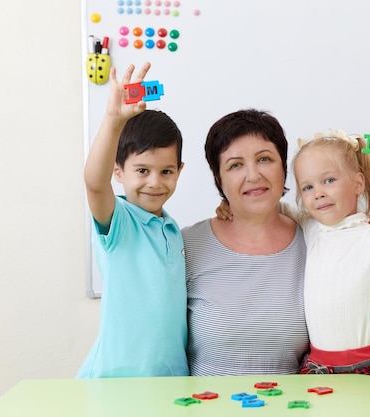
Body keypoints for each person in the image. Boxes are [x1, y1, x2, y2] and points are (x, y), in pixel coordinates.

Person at [77, 62, 189, 377]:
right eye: (142, 170)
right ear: (118, 171)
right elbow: (94, 183)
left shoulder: (173, 229)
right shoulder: (119, 221)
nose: (155, 182)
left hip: (169, 380)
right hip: (117, 380)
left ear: (179, 171)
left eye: (166, 171)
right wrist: (113, 121)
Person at [183, 109, 310, 376]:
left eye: (264, 159)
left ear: (284, 168)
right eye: (235, 165)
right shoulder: (187, 245)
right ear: (219, 179)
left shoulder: (314, 243)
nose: (253, 176)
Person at [289, 130, 370, 374]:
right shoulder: (310, 228)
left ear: (358, 183)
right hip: (319, 368)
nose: (318, 193)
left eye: (329, 180)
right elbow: (270, 210)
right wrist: (231, 206)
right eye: (307, 187)